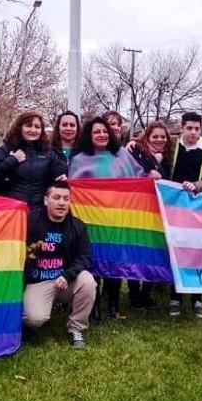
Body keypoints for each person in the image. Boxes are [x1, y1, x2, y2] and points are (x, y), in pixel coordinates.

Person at [69, 116, 146, 320]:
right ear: (89, 135)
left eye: (104, 131)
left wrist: (151, 178)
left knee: (115, 258)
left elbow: (138, 176)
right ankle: (93, 306)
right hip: (91, 220)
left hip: (117, 218)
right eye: (97, 132)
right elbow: (73, 187)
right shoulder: (79, 159)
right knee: (93, 259)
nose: (102, 135)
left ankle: (113, 304)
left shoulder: (122, 155)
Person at [22, 181, 97, 348]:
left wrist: (67, 275)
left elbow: (85, 258)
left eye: (66, 198)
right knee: (34, 319)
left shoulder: (78, 226)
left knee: (88, 281)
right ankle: (30, 322)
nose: (62, 203)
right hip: (38, 282)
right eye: (56, 198)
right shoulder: (30, 221)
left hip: (65, 281)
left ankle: (76, 328)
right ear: (46, 200)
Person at [167, 112, 202, 319]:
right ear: (181, 128)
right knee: (175, 250)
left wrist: (196, 186)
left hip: (198, 208)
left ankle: (197, 297)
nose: (193, 132)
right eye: (189, 128)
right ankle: (175, 296)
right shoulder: (171, 146)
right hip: (172, 208)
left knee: (197, 251)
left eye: (197, 129)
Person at [125, 120, 172, 310]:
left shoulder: (169, 157)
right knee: (136, 251)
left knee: (154, 252)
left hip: (158, 211)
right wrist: (147, 176)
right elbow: (129, 175)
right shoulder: (136, 152)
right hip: (137, 209)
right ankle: (134, 293)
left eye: (163, 137)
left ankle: (147, 293)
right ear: (147, 137)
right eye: (155, 136)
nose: (159, 140)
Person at [0, 112, 68, 211]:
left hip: (39, 212)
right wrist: (12, 160)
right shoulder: (6, 150)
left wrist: (61, 177)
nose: (33, 130)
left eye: (37, 127)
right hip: (12, 211)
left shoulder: (48, 152)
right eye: (28, 126)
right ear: (20, 128)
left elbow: (59, 174)